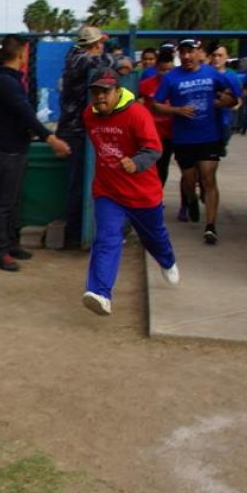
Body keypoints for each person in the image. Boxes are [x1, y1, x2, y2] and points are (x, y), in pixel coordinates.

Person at [82, 67, 179, 316]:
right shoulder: (89, 116)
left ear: (117, 91)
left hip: (142, 194)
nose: (100, 97)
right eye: (96, 92)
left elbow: (154, 149)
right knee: (106, 237)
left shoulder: (137, 114)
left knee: (154, 237)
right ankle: (101, 293)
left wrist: (136, 163)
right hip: (108, 191)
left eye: (105, 91)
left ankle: (167, 260)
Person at [0, 34, 72, 272]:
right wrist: (51, 139)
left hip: (14, 147)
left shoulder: (10, 80)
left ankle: (10, 243)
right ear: (22, 53)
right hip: (6, 150)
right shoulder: (6, 82)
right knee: (4, 203)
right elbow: (25, 113)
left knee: (12, 201)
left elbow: (22, 115)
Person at [153, 39, 240, 245]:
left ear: (199, 53)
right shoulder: (171, 78)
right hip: (183, 139)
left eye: (190, 51)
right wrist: (176, 110)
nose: (186, 56)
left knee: (209, 178)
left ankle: (210, 227)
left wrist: (226, 101)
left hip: (209, 136)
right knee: (189, 180)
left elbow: (232, 97)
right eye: (182, 52)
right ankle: (191, 199)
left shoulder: (212, 74)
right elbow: (156, 104)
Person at [57, 25, 114, 250]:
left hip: (82, 130)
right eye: (99, 44)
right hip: (75, 130)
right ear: (93, 44)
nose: (102, 48)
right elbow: (103, 63)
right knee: (78, 184)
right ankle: (75, 233)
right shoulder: (78, 59)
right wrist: (118, 60)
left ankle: (83, 231)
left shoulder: (79, 57)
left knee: (87, 182)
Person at [138, 47, 177, 186]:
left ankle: (158, 194)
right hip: (151, 133)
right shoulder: (145, 85)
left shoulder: (177, 83)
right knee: (149, 166)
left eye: (168, 70)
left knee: (163, 166)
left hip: (169, 133)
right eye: (162, 70)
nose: (165, 74)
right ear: (156, 68)